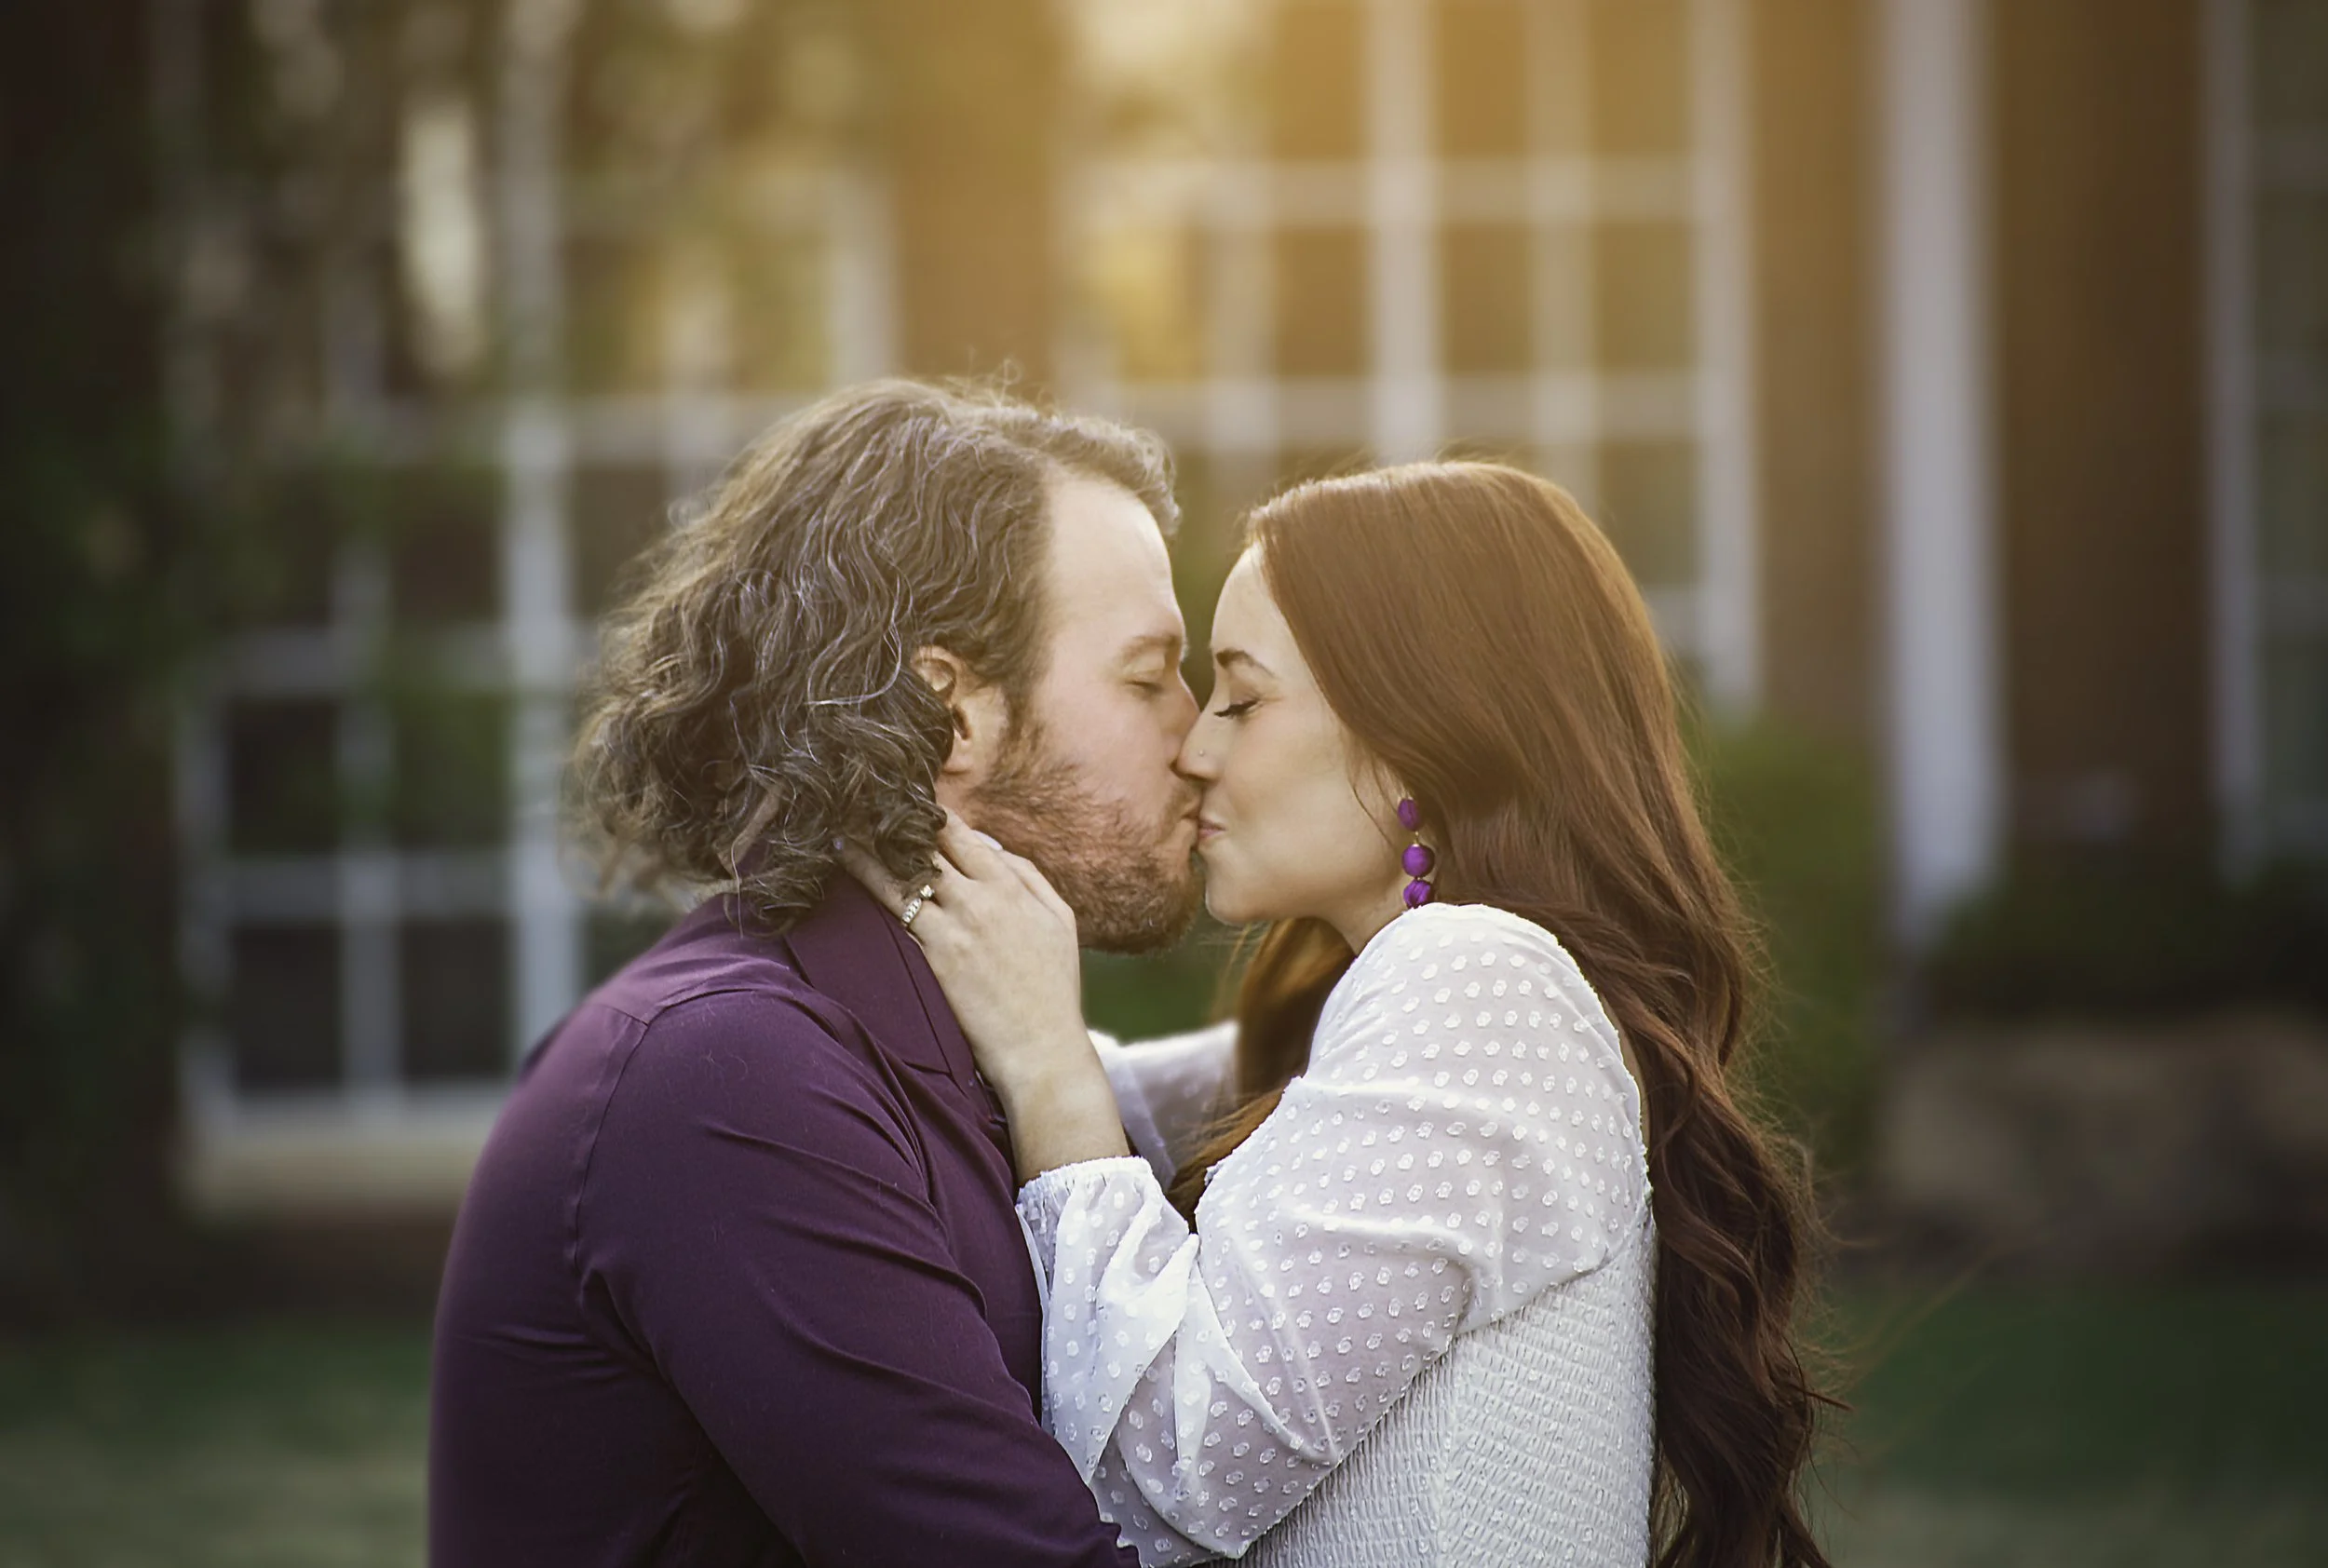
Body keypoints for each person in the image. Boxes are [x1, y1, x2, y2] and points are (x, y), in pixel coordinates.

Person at [853, 462, 1833, 1567]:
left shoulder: (1475, 981)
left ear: (1416, 728)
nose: (1194, 749)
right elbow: (1113, 1102)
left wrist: (1048, 1067)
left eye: (1242, 698)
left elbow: (1174, 1473)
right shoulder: (1423, 1003)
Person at [427, 379, 1211, 1567]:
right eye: (1148, 678)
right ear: (949, 712)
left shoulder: (945, 1046)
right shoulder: (726, 1076)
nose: (1199, 738)